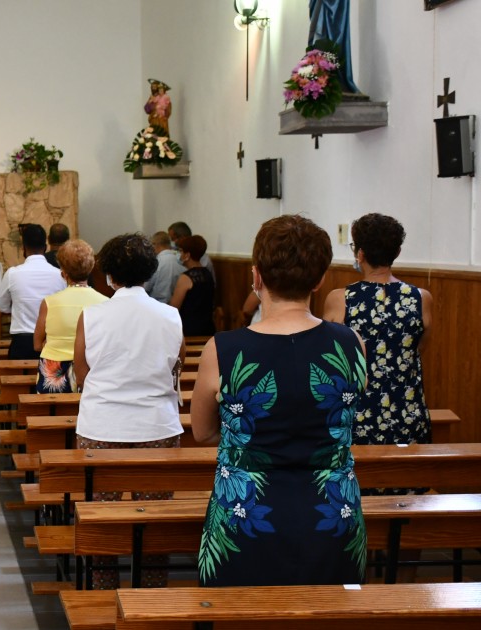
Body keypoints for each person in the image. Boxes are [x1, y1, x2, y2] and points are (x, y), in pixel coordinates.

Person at [190, 214, 367, 587]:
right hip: (332, 514)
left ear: (256, 278)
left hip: (245, 515)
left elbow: (203, 432)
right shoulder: (351, 343)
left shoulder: (223, 347)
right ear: (319, 280)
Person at [73, 233, 184, 589]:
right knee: (154, 520)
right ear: (149, 272)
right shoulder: (171, 316)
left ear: (109, 276)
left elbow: (82, 373)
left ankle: (103, 588)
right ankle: (152, 592)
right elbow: (176, 368)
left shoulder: (91, 316)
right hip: (157, 428)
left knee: (102, 518)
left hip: (102, 428)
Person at [323, 214, 432, 457]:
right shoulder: (421, 298)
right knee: (410, 486)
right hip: (408, 412)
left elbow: (330, 358)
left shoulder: (339, 299)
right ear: (398, 251)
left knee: (358, 488)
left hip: (358, 414)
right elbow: (419, 348)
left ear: (359, 254)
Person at [31, 239, 107, 393]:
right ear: (91, 268)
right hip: (92, 372)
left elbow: (37, 345)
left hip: (54, 372)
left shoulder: (49, 303)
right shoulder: (105, 302)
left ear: (63, 273)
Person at [0, 224, 66, 360]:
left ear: (23, 248)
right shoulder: (60, 275)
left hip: (22, 344)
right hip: (50, 343)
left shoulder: (12, 274)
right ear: (45, 246)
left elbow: (3, 307)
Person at [170, 235, 217, 336]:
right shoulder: (208, 273)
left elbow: (174, 308)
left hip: (189, 330)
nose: (179, 254)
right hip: (208, 328)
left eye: (181, 251)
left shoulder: (186, 278)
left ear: (188, 255)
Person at [143, 231, 184, 303]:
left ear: (155, 244)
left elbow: (145, 288)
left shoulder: (155, 263)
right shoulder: (180, 261)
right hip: (176, 307)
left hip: (156, 306)